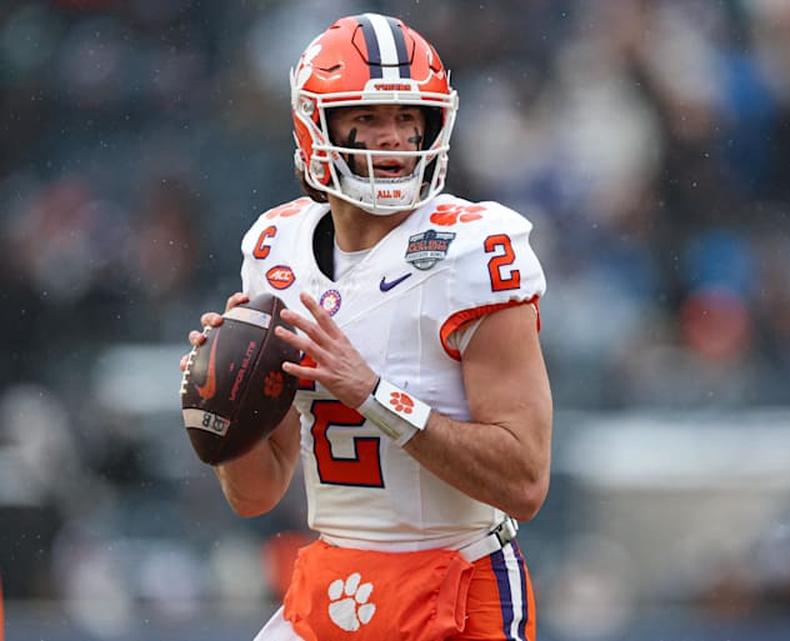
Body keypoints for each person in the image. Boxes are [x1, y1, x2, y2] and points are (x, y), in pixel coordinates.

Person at [181, 13, 550, 641]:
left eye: (410, 118)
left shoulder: (476, 250)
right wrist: (219, 402)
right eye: (370, 117)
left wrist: (375, 396)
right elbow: (257, 494)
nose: (394, 138)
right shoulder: (277, 249)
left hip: (456, 578)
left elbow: (524, 479)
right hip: (336, 571)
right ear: (315, 125)